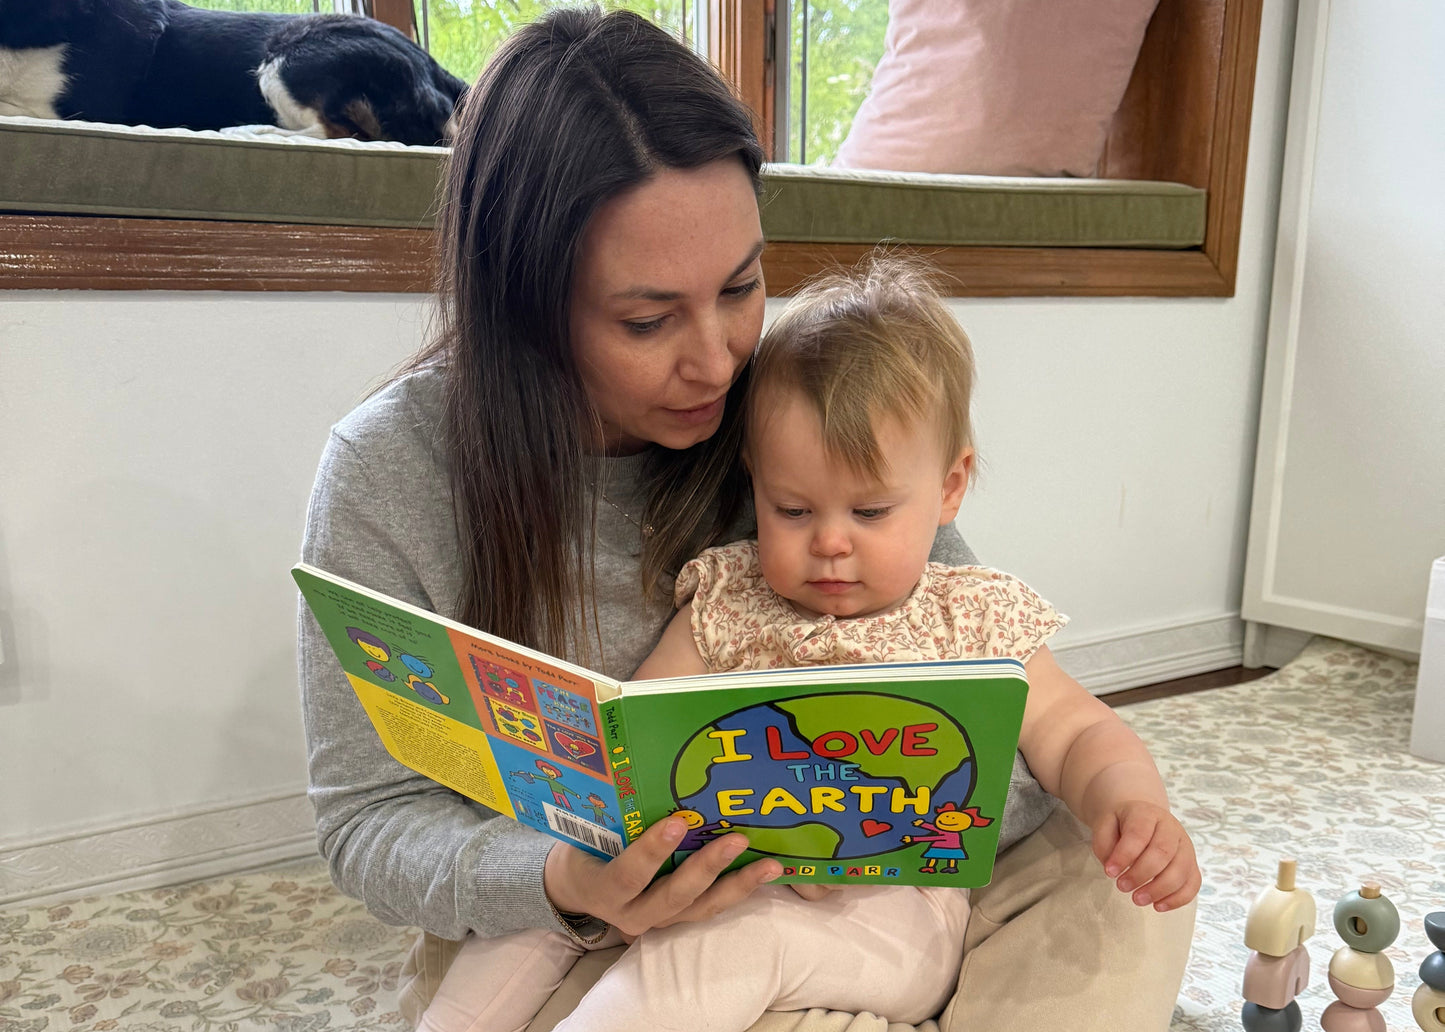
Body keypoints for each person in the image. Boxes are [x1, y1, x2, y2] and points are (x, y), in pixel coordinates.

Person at [296, 8, 1197, 1032]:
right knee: (639, 963)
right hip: (597, 920)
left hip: (855, 909)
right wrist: (565, 876)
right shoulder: (387, 472)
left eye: (741, 287)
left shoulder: (800, 401)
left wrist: (874, 828)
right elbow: (373, 824)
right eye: (646, 320)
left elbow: (1022, 741)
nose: (720, 360)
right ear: (524, 303)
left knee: (1129, 878)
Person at [446, 255, 1201, 1031]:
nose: (831, 544)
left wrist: (1131, 805)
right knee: (536, 912)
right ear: (753, 482)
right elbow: (640, 726)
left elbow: (1075, 730)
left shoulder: (970, 614)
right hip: (716, 874)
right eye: (793, 510)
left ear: (948, 489)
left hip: (893, 915)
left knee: (724, 946)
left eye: (870, 512)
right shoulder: (728, 600)